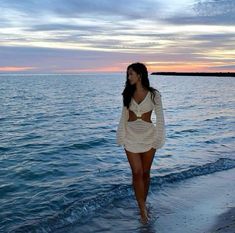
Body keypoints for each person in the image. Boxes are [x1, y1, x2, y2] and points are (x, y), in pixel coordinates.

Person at [116, 62, 166, 224]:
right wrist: (121, 136)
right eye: (128, 74)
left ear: (140, 75)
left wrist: (159, 138)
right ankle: (142, 210)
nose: (128, 77)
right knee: (136, 173)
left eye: (131, 73)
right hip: (130, 136)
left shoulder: (154, 95)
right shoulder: (127, 93)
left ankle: (143, 201)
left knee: (145, 173)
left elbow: (160, 118)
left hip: (149, 136)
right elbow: (123, 117)